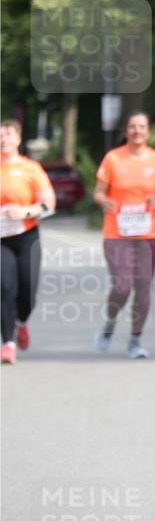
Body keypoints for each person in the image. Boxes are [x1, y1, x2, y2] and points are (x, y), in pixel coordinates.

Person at [93, 112, 155, 359]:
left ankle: (135, 341)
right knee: (122, 285)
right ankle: (109, 323)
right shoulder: (113, 159)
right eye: (132, 127)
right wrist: (104, 201)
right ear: (126, 131)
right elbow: (98, 192)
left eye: (142, 127)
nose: (137, 130)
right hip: (117, 232)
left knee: (144, 288)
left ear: (148, 132)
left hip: (149, 233)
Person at [1, 118, 56, 365]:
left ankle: (21, 322)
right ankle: (8, 343)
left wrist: (24, 212)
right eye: (0, 135)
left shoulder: (31, 168)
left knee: (27, 291)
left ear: (18, 139)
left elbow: (48, 203)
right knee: (4, 287)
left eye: (8, 134)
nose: (3, 139)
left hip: (26, 236)